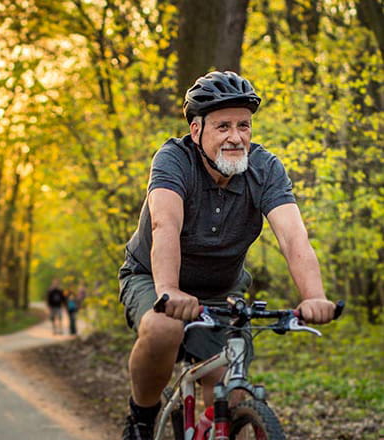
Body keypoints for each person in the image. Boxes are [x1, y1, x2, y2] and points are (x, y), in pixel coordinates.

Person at [118, 71, 336, 440]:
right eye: (223, 126)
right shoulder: (173, 160)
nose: (236, 137)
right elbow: (164, 226)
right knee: (162, 327)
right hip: (153, 278)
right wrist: (169, 291)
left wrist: (314, 296)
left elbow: (293, 237)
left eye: (244, 125)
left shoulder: (266, 169)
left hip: (222, 292)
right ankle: (141, 417)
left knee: (229, 396)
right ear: (196, 129)